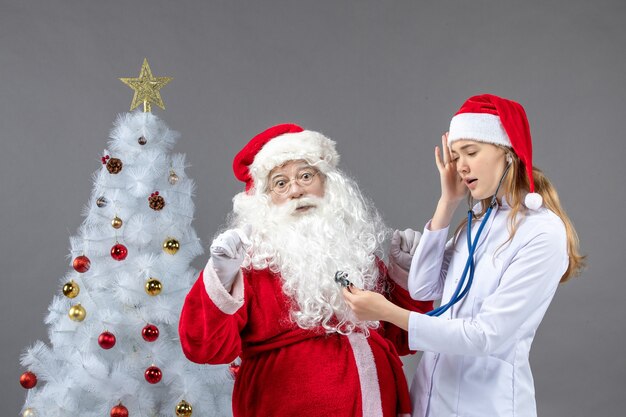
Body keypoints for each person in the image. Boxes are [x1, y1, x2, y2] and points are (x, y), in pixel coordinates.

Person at [343, 94, 585, 417]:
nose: (461, 166)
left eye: (471, 152)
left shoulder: (541, 233)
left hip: (484, 406)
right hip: (430, 399)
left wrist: (387, 312)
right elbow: (423, 289)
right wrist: (447, 204)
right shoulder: (475, 223)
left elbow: (486, 336)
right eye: (456, 156)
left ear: (508, 153)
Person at [178, 123, 433, 417]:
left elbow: (403, 337)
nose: (296, 190)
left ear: (327, 183)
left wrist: (404, 272)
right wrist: (221, 278)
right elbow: (203, 347)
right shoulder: (250, 267)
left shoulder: (355, 254)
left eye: (305, 176)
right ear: (264, 199)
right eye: (281, 183)